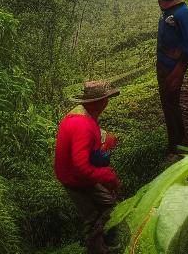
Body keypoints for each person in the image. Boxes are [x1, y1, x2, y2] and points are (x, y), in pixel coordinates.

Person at [55, 80, 121, 254]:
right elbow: (81, 166)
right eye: (106, 99)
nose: (107, 103)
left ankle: (102, 245)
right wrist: (108, 176)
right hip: (75, 178)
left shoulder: (81, 115)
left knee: (104, 208)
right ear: (98, 102)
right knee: (98, 213)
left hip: (75, 174)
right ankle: (96, 249)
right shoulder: (82, 125)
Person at [151, 0, 188, 159]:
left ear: (165, 0)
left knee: (170, 104)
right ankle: (178, 139)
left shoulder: (184, 14)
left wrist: (178, 72)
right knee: (169, 104)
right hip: (164, 64)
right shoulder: (169, 12)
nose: (158, 1)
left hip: (172, 68)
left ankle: (175, 146)